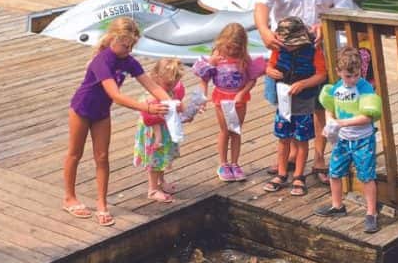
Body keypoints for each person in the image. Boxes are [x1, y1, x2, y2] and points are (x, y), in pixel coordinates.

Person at [254, 0, 354, 180]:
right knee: (284, 102)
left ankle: (319, 160)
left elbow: (345, 8)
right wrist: (264, 31)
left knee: (320, 103)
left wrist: (326, 24)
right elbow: (262, 4)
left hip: (320, 46)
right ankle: (289, 155)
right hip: (285, 49)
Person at [63, 17, 169, 227]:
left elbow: (151, 85)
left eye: (131, 46)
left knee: (102, 157)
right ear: (113, 38)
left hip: (101, 113)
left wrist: (173, 103)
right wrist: (147, 108)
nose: (128, 50)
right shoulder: (102, 60)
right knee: (75, 153)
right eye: (124, 45)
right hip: (82, 109)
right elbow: (115, 95)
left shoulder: (128, 61)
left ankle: (102, 203)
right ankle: (69, 198)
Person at [315, 47, 383, 233]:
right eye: (347, 76)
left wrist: (341, 122)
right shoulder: (336, 88)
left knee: (367, 176)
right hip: (343, 140)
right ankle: (337, 205)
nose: (352, 80)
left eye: (355, 75)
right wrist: (329, 121)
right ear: (338, 72)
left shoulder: (366, 89)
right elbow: (330, 107)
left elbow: (369, 116)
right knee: (335, 172)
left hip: (362, 139)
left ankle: (371, 212)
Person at [263, 17, 328, 197]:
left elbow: (321, 75)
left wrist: (305, 83)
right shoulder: (279, 50)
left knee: (301, 140)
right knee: (283, 138)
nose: (289, 47)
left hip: (303, 102)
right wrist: (270, 71)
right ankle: (282, 173)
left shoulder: (312, 51)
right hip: (284, 102)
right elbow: (269, 66)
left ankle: (299, 175)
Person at [193, 23, 263, 183]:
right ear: (221, 42)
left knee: (236, 131)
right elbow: (203, 79)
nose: (231, 52)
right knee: (225, 131)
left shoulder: (244, 59)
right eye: (228, 48)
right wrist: (202, 98)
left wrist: (242, 93)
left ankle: (235, 163)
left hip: (239, 99)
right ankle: (223, 164)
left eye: (235, 49)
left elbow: (252, 79)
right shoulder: (217, 57)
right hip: (221, 98)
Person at [133, 58, 186, 203]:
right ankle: (152, 189)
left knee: (163, 158)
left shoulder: (171, 91)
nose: (172, 86)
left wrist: (181, 109)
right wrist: (158, 136)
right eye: (169, 83)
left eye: (176, 82)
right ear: (156, 77)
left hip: (165, 131)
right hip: (153, 133)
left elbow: (177, 107)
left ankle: (161, 181)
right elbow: (149, 119)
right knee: (155, 160)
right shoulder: (150, 96)